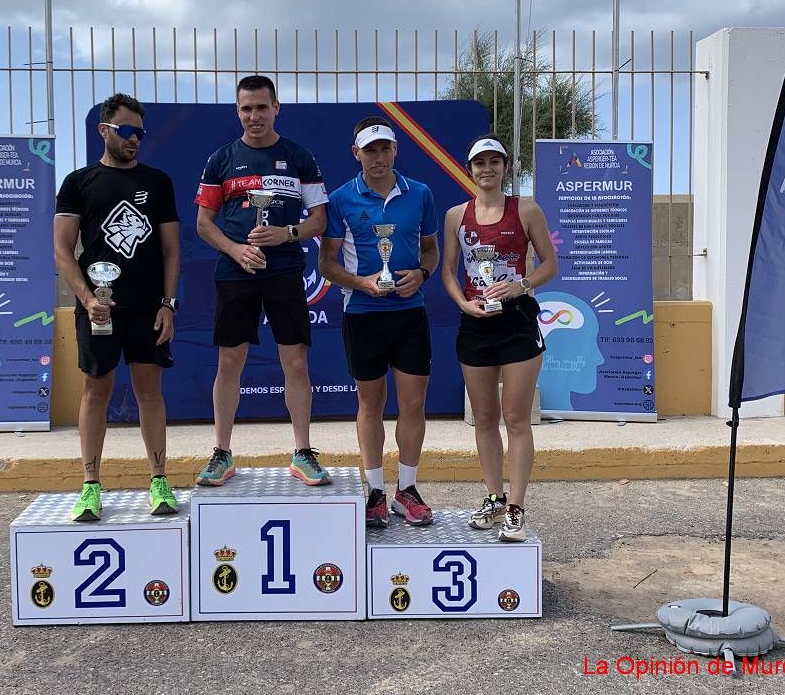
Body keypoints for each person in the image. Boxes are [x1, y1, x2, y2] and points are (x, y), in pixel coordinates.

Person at [194, 75, 330, 486]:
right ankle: (222, 453)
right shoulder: (221, 159)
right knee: (229, 363)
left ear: (277, 108)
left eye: (261, 107)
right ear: (238, 111)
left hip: (286, 271)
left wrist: (286, 234)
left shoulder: (299, 157)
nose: (254, 116)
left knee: (296, 363)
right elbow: (204, 224)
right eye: (246, 108)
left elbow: (319, 220)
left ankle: (303, 452)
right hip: (236, 272)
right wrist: (236, 249)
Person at [54, 93, 181, 521]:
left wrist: (168, 304)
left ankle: (159, 480)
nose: (134, 140)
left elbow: (170, 251)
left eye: (139, 133)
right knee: (96, 391)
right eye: (126, 131)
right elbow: (63, 252)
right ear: (104, 130)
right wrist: (89, 300)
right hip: (99, 309)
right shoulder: (78, 182)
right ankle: (90, 485)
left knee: (150, 392)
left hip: (148, 309)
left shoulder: (158, 181)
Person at [319, 117, 439, 527]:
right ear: (357, 154)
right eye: (370, 150)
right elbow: (327, 265)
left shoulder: (420, 194)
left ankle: (406, 490)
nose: (379, 157)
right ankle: (374, 491)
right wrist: (361, 283)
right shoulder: (340, 199)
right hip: (363, 315)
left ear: (395, 151)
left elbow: (430, 251)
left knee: (413, 404)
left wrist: (421, 274)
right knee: (370, 405)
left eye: (385, 148)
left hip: (410, 314)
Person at [441, 134, 557, 541]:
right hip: (475, 324)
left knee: (516, 418)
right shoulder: (457, 215)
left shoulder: (525, 210)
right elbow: (448, 273)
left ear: (506, 167)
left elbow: (550, 266)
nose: (486, 169)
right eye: (479, 163)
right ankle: (493, 497)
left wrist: (520, 286)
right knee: (485, 418)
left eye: (494, 162)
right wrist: (462, 304)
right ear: (469, 169)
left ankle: (516, 507)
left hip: (517, 322)